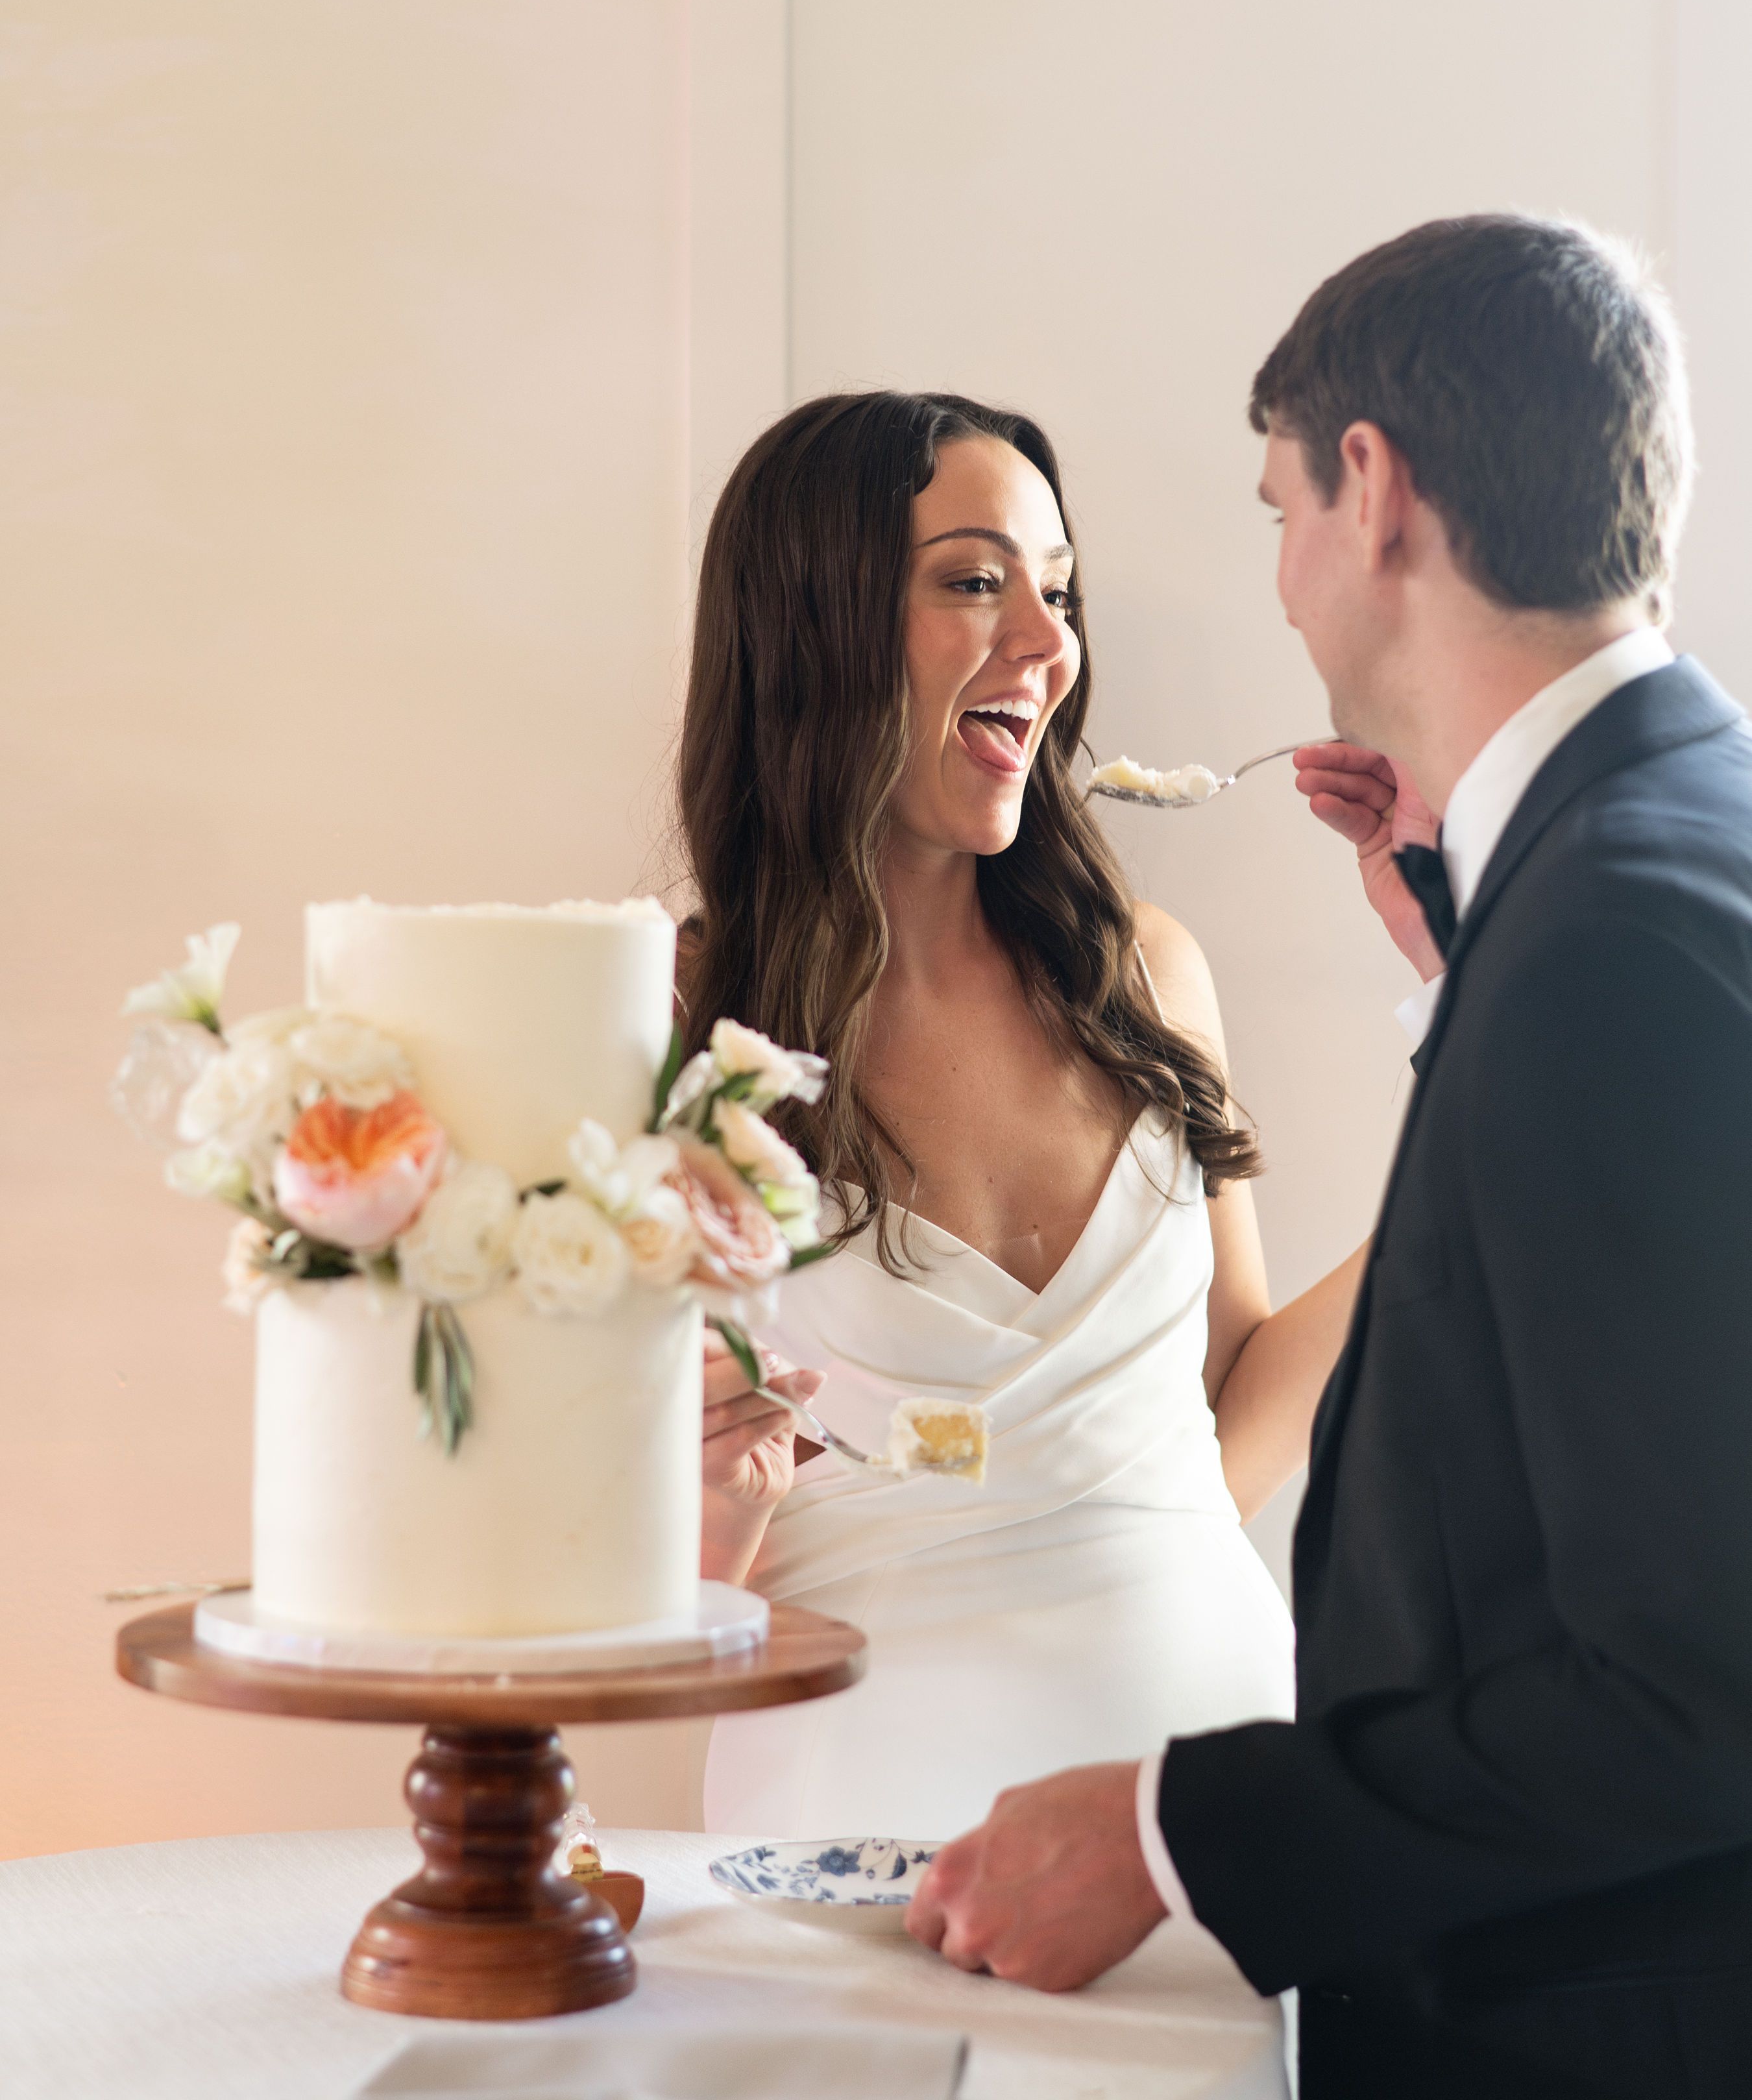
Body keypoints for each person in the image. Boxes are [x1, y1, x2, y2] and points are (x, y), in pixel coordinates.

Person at [907, 215, 1752, 2099]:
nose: (1280, 574)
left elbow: (1698, 1678)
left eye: (1275, 505)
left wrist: (1165, 1840)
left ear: (1368, 492)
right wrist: (1464, 978)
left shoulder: (1608, 942)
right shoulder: (1659, 853)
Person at [674, 389, 1365, 1843]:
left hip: (1208, 1811)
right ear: (818, 618)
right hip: (854, 1818)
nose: (1048, 650)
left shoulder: (1147, 973)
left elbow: (1227, 1404)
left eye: (1057, 594)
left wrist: (1484, 1069)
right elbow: (625, 1580)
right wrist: (704, 1516)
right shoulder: (667, 1025)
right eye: (978, 582)